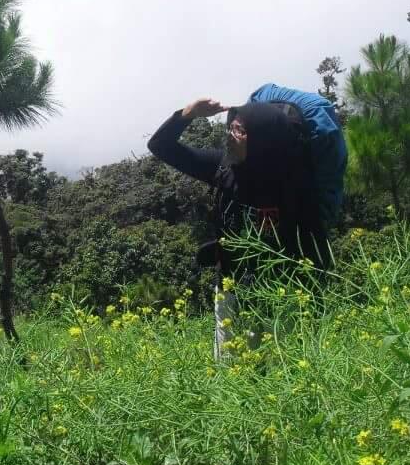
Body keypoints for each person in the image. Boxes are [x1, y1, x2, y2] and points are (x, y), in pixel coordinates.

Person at [147, 87, 345, 359]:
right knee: (229, 373)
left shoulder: (297, 187)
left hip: (281, 296)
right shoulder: (223, 167)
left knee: (279, 372)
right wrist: (188, 114)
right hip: (230, 288)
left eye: (241, 131)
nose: (231, 134)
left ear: (264, 141)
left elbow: (315, 250)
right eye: (233, 127)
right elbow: (160, 147)